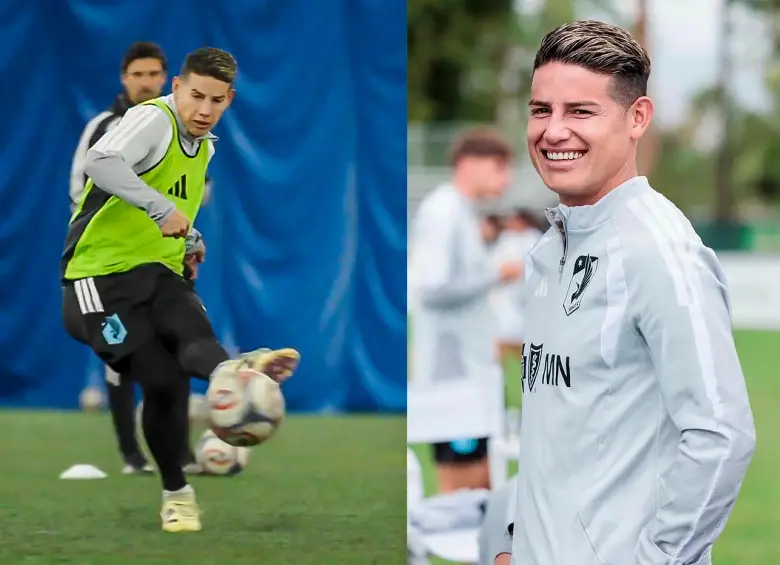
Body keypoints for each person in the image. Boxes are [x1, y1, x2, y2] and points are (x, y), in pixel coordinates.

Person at [493, 21, 755, 565]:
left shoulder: (660, 252)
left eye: (581, 112)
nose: (553, 131)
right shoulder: (548, 253)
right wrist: (512, 538)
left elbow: (721, 435)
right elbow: (555, 432)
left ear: (638, 118)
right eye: (542, 110)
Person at [61, 46, 300, 533]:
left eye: (216, 100)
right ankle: (177, 492)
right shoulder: (153, 120)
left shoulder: (206, 145)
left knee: (193, 332)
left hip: (160, 271)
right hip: (98, 281)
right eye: (195, 96)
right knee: (162, 381)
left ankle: (232, 370)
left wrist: (190, 237)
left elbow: (173, 205)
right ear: (177, 88)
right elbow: (100, 163)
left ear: (230, 99)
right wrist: (159, 211)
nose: (204, 109)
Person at [69, 41, 203, 476]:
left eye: (153, 75)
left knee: (173, 353)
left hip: (163, 262)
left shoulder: (182, 131)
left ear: (166, 79)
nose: (146, 83)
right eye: (137, 75)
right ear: (123, 79)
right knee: (125, 352)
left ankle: (179, 454)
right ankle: (132, 455)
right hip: (111, 266)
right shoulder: (105, 126)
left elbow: (187, 194)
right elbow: (82, 185)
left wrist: (186, 236)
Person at [409, 127, 523, 493]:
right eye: (500, 167)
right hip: (452, 384)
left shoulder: (461, 211)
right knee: (464, 498)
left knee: (485, 490)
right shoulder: (443, 211)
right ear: (470, 163)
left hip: (469, 377)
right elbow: (432, 288)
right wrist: (496, 274)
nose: (506, 179)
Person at [489, 209, 544, 367]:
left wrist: (519, 269)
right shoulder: (506, 239)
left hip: (525, 295)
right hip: (503, 294)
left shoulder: (534, 238)